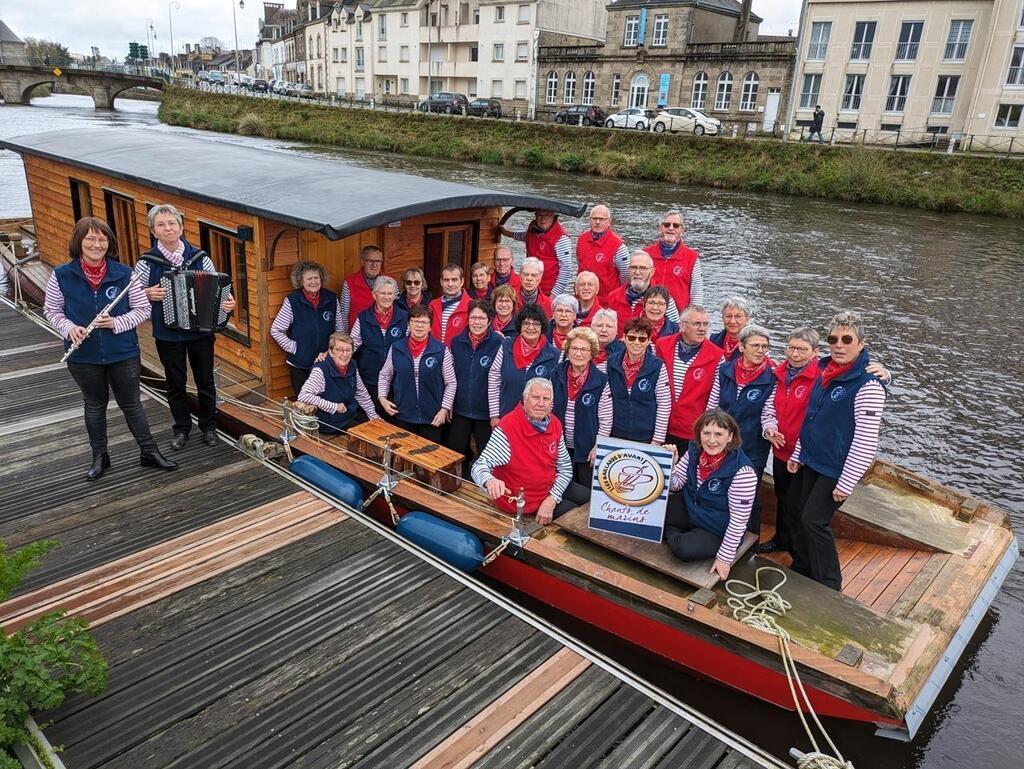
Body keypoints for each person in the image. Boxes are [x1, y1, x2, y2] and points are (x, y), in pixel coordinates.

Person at [44, 217, 177, 479]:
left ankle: (148, 452)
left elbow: (142, 310)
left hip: (122, 351)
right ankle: (100, 456)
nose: (97, 244)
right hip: (84, 354)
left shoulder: (125, 274)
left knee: (132, 404)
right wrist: (69, 328)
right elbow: (52, 310)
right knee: (94, 405)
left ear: (109, 243)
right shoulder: (62, 275)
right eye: (90, 239)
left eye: (102, 239)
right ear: (79, 242)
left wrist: (116, 322)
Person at [787, 311, 887, 590]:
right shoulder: (824, 371)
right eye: (834, 339)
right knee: (796, 511)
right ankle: (803, 566)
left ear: (861, 344)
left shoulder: (868, 385)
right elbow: (811, 416)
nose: (839, 345)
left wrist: (846, 482)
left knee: (814, 521)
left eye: (847, 339)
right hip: (813, 460)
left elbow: (866, 442)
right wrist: (798, 453)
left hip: (837, 467)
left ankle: (829, 584)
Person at [135, 204, 235, 450]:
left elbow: (220, 288)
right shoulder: (147, 263)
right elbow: (133, 296)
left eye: (172, 223)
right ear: (153, 231)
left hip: (200, 332)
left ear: (181, 227)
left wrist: (228, 303)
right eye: (161, 224)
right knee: (175, 383)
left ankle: (209, 426)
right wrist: (147, 293)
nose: (167, 228)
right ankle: (181, 428)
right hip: (168, 334)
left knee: (205, 382)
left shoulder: (200, 258)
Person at [472, 377, 591, 524]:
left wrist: (552, 499)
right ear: (525, 398)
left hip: (549, 486)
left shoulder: (554, 423)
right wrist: (490, 481)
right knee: (575, 517)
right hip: (523, 501)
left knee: (590, 500)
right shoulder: (508, 427)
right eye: (535, 397)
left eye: (546, 399)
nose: (541, 404)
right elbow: (479, 466)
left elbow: (565, 468)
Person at [665, 409, 757, 581]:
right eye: (706, 433)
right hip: (692, 510)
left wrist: (724, 558)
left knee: (683, 550)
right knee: (654, 511)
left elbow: (739, 520)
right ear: (699, 435)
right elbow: (676, 485)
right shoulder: (694, 450)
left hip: (716, 529)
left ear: (730, 437)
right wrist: (670, 465)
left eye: (719, 434)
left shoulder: (743, 472)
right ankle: (677, 532)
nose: (711, 440)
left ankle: (675, 535)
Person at [757, 326, 820, 555]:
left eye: (802, 350)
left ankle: (799, 550)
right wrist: (770, 428)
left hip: (804, 455)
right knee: (782, 496)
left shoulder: (820, 379)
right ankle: (783, 539)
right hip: (781, 449)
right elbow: (770, 407)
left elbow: (814, 419)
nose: (794, 354)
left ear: (815, 352)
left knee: (797, 504)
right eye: (791, 348)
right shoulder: (779, 373)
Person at [707, 324, 775, 533]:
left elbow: (769, 411)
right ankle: (719, 532)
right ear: (742, 347)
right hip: (723, 444)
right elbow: (713, 404)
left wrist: (769, 430)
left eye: (764, 346)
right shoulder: (725, 370)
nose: (760, 350)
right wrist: (707, 432)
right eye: (755, 345)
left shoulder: (772, 377)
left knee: (749, 498)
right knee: (720, 489)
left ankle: (751, 543)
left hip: (753, 445)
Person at [377, 304, 456, 442]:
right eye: (415, 321)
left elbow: (451, 382)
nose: (419, 326)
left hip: (432, 417)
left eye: (424, 322)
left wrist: (444, 409)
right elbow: (385, 375)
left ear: (430, 326)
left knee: (428, 459)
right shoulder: (396, 348)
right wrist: (382, 398)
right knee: (403, 458)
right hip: (403, 414)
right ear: (408, 324)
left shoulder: (442, 350)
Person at [655, 304, 723, 453]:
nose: (702, 329)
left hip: (693, 430)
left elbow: (715, 397)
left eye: (705, 324)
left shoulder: (717, 356)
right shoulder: (662, 345)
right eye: (697, 324)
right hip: (661, 426)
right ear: (682, 326)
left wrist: (706, 428)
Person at [270, 260, 342, 395]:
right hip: (300, 365)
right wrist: (295, 348)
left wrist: (331, 351)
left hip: (326, 363)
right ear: (301, 281)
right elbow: (276, 330)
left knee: (326, 401)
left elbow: (340, 330)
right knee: (304, 403)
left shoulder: (331, 298)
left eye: (316, 278)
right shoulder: (292, 301)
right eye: (309, 278)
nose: (314, 282)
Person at [450, 300, 503, 476]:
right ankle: (460, 480)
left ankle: (483, 485)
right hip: (460, 408)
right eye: (473, 317)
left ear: (489, 321)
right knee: (456, 450)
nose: (477, 322)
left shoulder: (499, 343)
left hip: (485, 412)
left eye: (482, 318)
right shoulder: (457, 342)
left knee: (486, 453)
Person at [553, 328, 612, 484]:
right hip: (558, 448)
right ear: (568, 350)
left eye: (584, 349)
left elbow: (606, 420)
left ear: (591, 353)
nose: (578, 354)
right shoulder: (555, 374)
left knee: (584, 493)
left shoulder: (601, 380)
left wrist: (598, 446)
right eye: (574, 348)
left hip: (587, 450)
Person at [488, 303, 560, 422]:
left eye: (536, 324)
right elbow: (493, 380)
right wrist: (494, 415)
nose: (531, 328)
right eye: (526, 323)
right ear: (519, 326)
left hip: (537, 421)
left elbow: (553, 393)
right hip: (505, 417)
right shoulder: (506, 347)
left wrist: (544, 419)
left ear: (542, 327)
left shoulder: (554, 355)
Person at [297, 332, 379, 433]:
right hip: (330, 422)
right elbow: (303, 396)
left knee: (376, 427)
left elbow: (361, 393)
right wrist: (334, 406)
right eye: (340, 350)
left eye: (348, 350)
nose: (344, 354)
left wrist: (373, 417)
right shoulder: (320, 370)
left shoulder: (352, 365)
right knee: (367, 433)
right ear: (331, 352)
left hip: (348, 414)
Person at [607, 317, 670, 446]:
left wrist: (657, 440)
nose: (636, 342)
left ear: (648, 341)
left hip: (646, 435)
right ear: (624, 338)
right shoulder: (611, 362)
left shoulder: (658, 366)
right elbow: (605, 401)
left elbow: (664, 404)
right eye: (631, 337)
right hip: (616, 433)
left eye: (642, 339)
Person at [351, 276, 407, 404]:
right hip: (370, 378)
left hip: (397, 379)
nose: (386, 297)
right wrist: (332, 356)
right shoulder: (363, 317)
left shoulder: (404, 317)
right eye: (382, 293)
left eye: (390, 293)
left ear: (395, 296)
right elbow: (352, 344)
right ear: (374, 295)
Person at [500, 209, 573, 296]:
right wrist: (508, 233)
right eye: (539, 215)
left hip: (547, 291)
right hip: (528, 287)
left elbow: (566, 270)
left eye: (547, 215)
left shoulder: (561, 239)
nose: (542, 219)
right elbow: (526, 236)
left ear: (554, 216)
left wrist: (553, 296)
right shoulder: (533, 228)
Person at [605, 251, 679, 336]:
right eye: (633, 267)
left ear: (652, 272)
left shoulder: (664, 298)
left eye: (642, 268)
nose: (637, 272)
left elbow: (676, 329)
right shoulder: (614, 296)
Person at [643, 210, 704, 311]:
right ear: (660, 228)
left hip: (678, 319)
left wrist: (692, 318)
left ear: (682, 229)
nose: (671, 228)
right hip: (649, 314)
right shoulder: (645, 255)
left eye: (675, 226)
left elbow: (697, 295)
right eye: (667, 225)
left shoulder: (692, 258)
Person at [575, 204, 629, 302]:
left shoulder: (619, 247)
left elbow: (625, 277)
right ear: (589, 220)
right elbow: (580, 265)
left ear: (609, 222)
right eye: (594, 219)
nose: (597, 222)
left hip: (607, 302)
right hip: (582, 299)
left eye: (601, 219)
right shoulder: (581, 240)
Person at [339, 245, 385, 331]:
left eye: (378, 261)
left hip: (382, 334)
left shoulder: (390, 282)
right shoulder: (349, 283)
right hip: (357, 335)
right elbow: (343, 314)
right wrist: (345, 338)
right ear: (362, 262)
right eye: (370, 261)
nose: (374, 265)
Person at [428, 263, 471, 345]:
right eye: (446, 280)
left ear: (462, 281)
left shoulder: (471, 305)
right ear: (441, 282)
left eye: (454, 280)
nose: (450, 284)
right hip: (436, 354)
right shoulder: (433, 305)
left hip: (458, 355)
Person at [709, 296, 752, 363]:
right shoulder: (712, 340)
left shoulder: (755, 344)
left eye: (738, 316)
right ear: (722, 318)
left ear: (747, 319)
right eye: (728, 316)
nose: (732, 321)